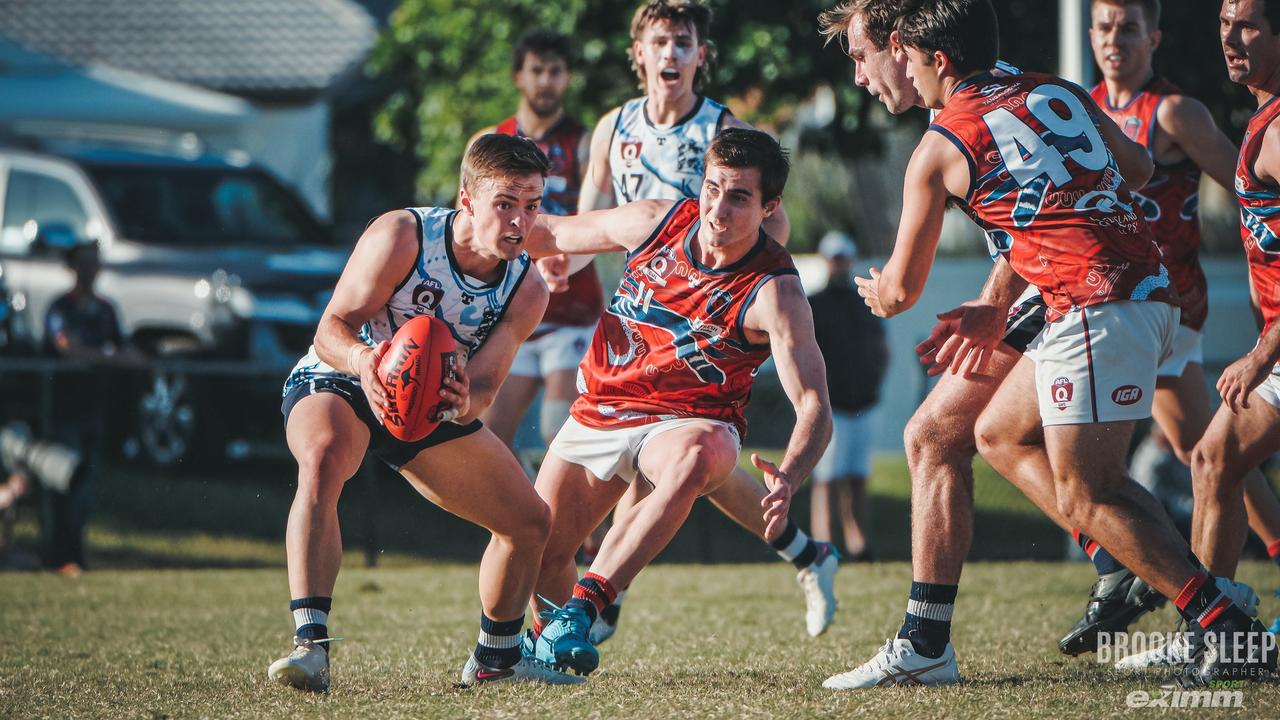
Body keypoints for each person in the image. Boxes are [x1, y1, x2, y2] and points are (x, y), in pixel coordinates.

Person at [830, 0, 1273, 688]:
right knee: (986, 434)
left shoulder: (941, 140)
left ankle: (1221, 623)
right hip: (1142, 288)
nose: (866, 74)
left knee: (1090, 492)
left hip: (1092, 300)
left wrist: (875, 290)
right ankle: (1138, 573)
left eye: (868, 57)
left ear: (920, 52)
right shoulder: (1052, 87)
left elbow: (900, 293)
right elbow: (1133, 170)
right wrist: (1005, 285)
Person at [268, 134, 582, 691]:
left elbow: (485, 386)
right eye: (505, 204)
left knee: (530, 522)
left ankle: (496, 660)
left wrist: (464, 401)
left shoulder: (526, 286)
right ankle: (310, 646)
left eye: (532, 206)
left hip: (427, 405)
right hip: (342, 375)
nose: (519, 222)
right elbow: (329, 329)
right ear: (466, 199)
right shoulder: (403, 235)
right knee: (322, 459)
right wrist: (369, 362)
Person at [520, 128, 831, 677]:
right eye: (712, 189)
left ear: (769, 207)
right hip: (603, 407)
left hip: (690, 420)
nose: (718, 209)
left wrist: (791, 473)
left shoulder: (775, 291)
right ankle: (541, 647)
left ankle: (586, 605)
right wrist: (464, 230)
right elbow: (550, 232)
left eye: (738, 197)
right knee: (541, 554)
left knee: (699, 457)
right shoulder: (655, 220)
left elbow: (813, 406)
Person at [575, 0, 839, 644]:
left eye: (683, 42)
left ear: (701, 55)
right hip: (635, 316)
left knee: (673, 459)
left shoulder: (724, 131)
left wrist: (742, 283)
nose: (671, 53)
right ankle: (806, 553)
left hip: (704, 323)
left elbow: (769, 225)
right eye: (659, 41)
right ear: (638, 53)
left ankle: (597, 595)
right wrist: (564, 268)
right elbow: (588, 210)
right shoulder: (615, 125)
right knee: (699, 470)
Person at [1176, 0, 1280, 664]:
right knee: (1215, 459)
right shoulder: (1262, 120)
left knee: (1215, 458)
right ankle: (1213, 637)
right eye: (1222, 25)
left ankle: (1213, 635)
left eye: (1246, 25)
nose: (1230, 38)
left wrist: (1262, 353)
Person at [466, 31, 604, 477]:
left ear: (568, 78)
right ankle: (534, 529)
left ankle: (585, 544)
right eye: (537, 70)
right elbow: (465, 225)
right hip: (511, 312)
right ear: (518, 76)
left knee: (557, 430)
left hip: (572, 313)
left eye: (556, 71)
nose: (546, 81)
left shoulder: (585, 144)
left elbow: (600, 220)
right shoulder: (489, 142)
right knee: (486, 432)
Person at [41, 241, 125, 577]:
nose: (91, 269)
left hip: (95, 408)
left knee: (86, 489)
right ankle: (57, 554)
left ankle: (75, 554)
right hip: (62, 410)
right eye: (84, 262)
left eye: (95, 262)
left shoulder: (105, 309)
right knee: (62, 485)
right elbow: (65, 348)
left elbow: (125, 349)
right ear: (73, 267)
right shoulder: (61, 307)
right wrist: (104, 357)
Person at [807, 231, 887, 560]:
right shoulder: (813, 305)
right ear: (826, 261)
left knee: (857, 478)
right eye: (834, 258)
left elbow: (882, 349)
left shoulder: (864, 305)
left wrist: (874, 381)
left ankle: (859, 544)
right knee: (827, 478)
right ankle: (823, 545)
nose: (839, 265)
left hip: (863, 403)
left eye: (844, 258)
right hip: (831, 406)